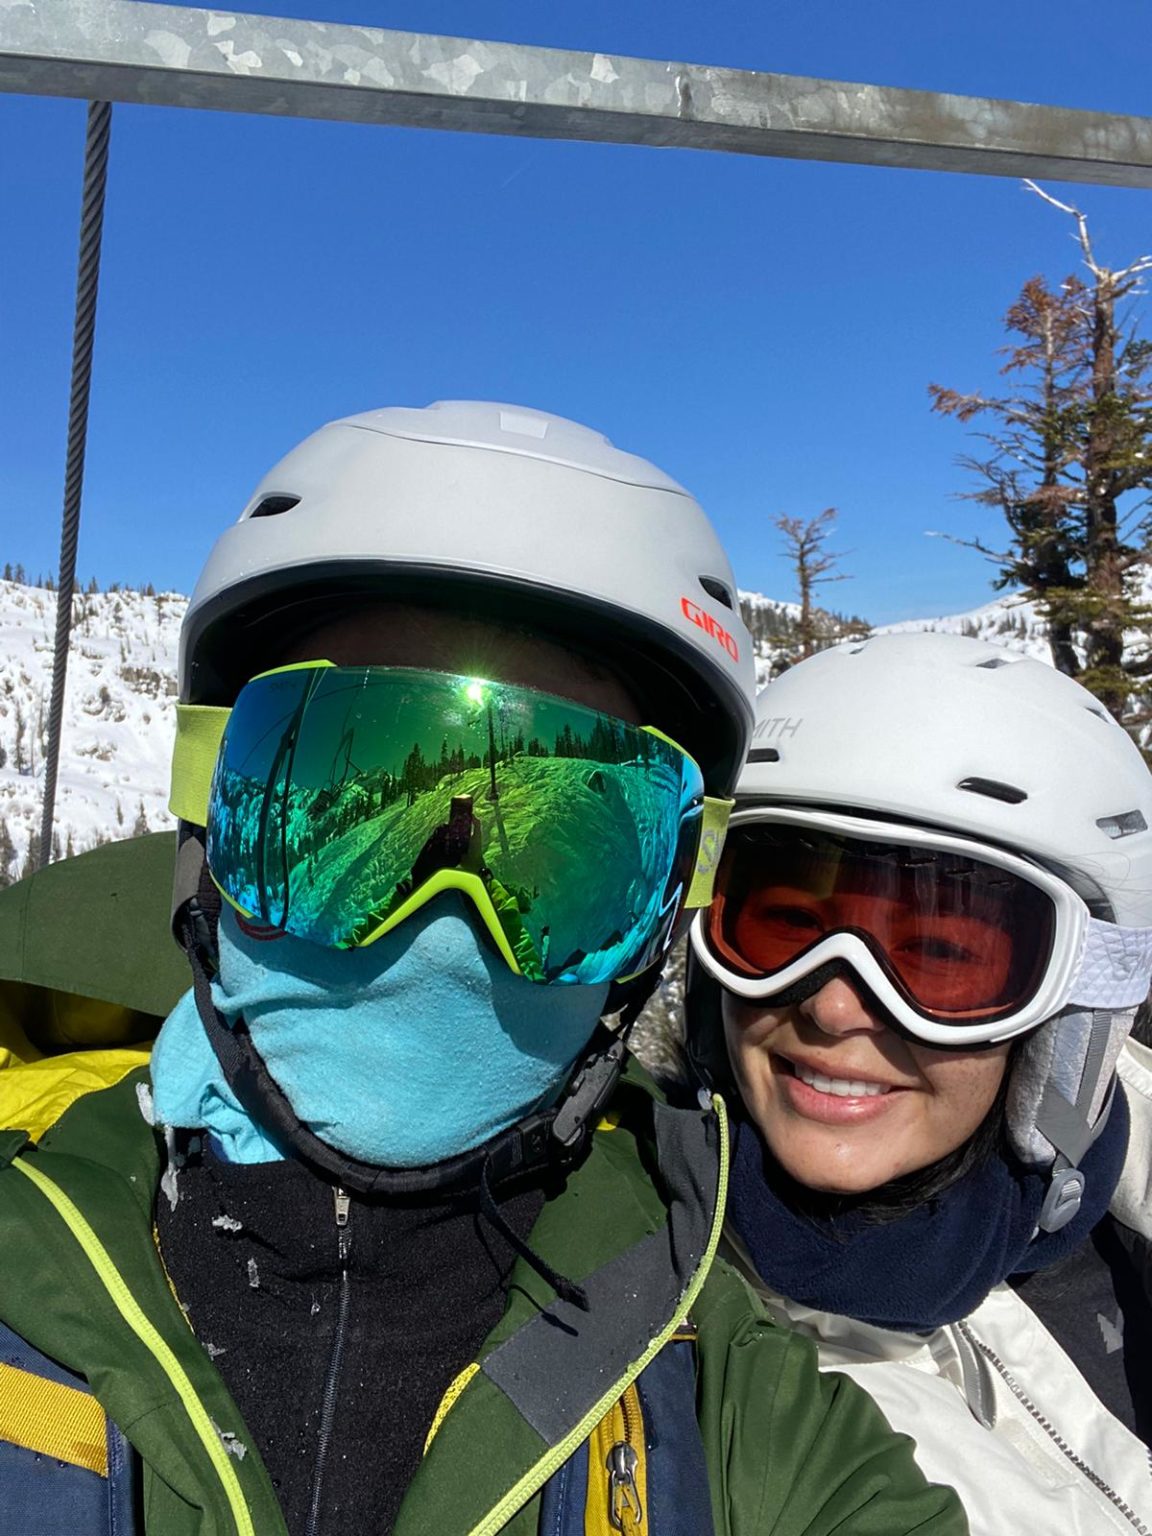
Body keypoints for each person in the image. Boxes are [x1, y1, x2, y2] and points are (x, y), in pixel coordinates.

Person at [0, 403, 966, 1535]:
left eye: (564, 860)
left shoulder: (722, 1387)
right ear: (205, 837)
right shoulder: (28, 1230)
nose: (442, 935)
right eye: (345, 802)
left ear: (664, 914)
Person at [687, 629, 1152, 1535]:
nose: (832, 1008)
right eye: (783, 927)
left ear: (1068, 1026)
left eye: (939, 955)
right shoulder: (686, 1363)